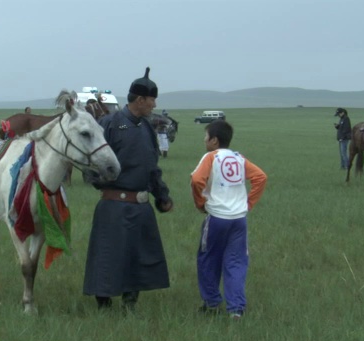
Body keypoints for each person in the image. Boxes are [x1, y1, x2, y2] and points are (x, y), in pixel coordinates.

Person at [83, 67, 173, 312]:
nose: (154, 105)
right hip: (113, 206)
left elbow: (152, 168)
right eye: (152, 100)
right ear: (140, 100)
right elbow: (90, 165)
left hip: (141, 206)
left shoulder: (147, 129)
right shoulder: (109, 124)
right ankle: (103, 304)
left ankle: (130, 303)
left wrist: (162, 196)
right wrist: (108, 185)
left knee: (138, 256)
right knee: (108, 255)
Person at [190, 120, 267, 320]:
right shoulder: (238, 158)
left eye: (206, 137)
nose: (204, 141)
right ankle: (236, 309)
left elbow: (197, 179)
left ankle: (212, 303)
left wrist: (201, 203)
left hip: (216, 217)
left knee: (208, 259)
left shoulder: (210, 157)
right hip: (239, 219)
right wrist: (248, 204)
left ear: (214, 140)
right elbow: (261, 177)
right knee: (236, 262)